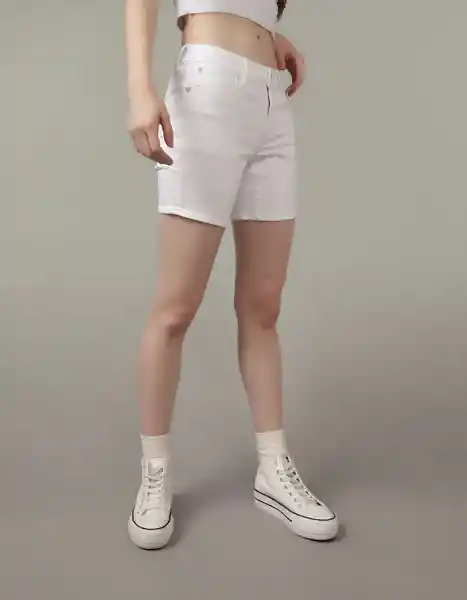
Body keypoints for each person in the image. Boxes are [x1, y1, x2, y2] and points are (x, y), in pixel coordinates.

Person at [125, 0, 339, 549]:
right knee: (176, 309)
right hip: (206, 93)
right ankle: (155, 474)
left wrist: (267, 31)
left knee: (263, 308)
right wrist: (139, 86)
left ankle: (273, 468)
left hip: (271, 105)